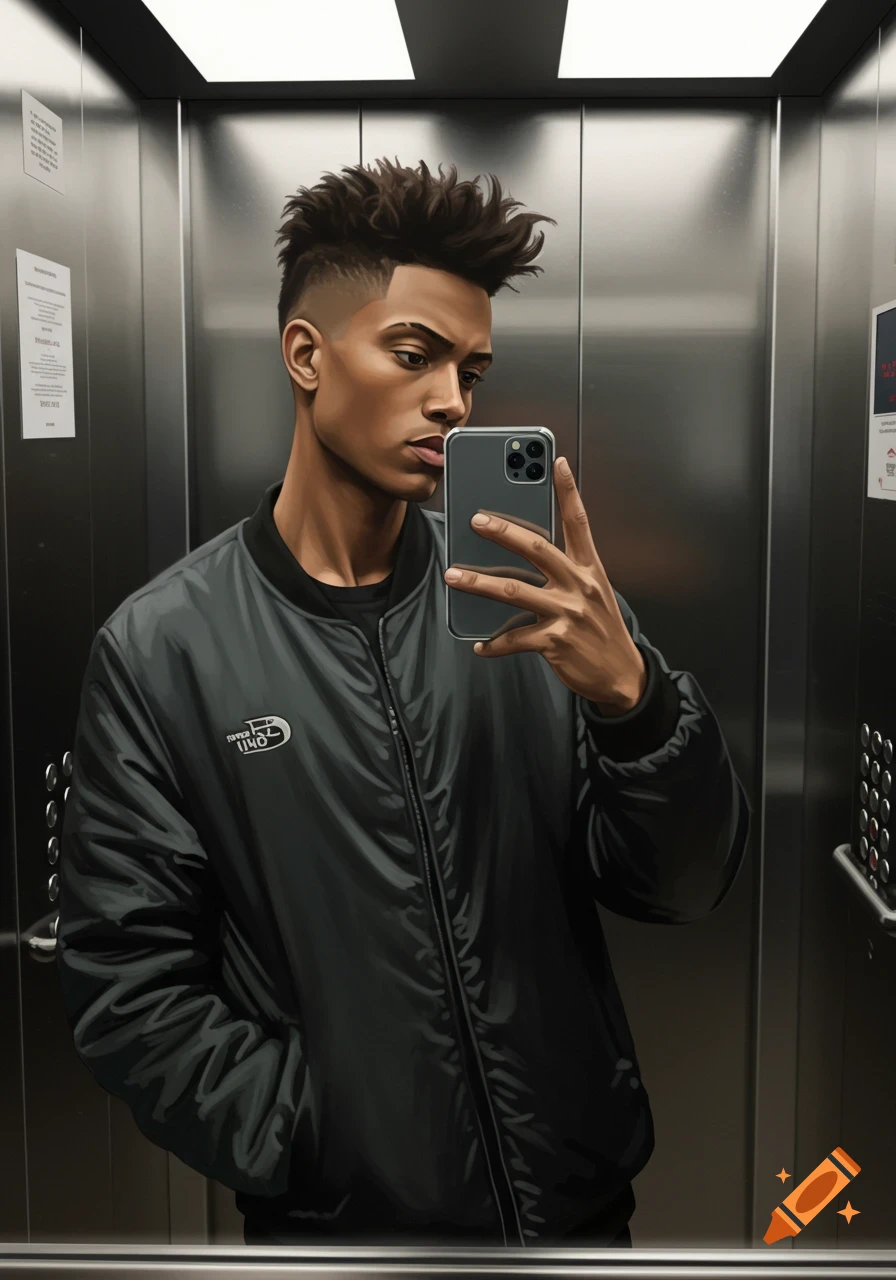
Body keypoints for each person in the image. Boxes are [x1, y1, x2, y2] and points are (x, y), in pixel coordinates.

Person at [56, 158, 750, 1249]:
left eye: (471, 368)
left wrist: (637, 705)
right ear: (304, 356)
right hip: (339, 1234)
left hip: (579, 1213)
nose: (452, 400)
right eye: (414, 353)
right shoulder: (164, 650)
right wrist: (311, 1136)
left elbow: (682, 884)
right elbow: (125, 982)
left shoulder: (534, 602)